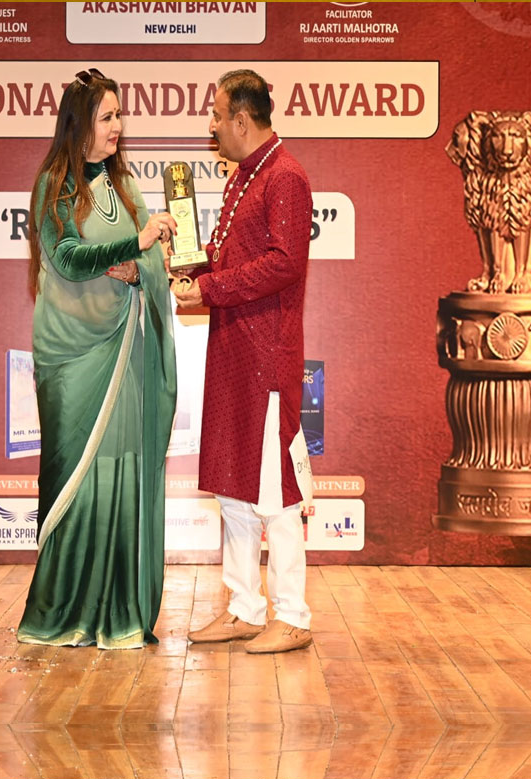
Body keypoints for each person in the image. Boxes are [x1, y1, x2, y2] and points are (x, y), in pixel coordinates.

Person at [17, 68, 177, 649]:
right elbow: (65, 256)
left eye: (119, 116)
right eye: (107, 117)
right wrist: (134, 244)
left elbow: (149, 261)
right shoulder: (54, 185)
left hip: (124, 352)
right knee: (74, 481)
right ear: (79, 124)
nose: (118, 126)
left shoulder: (124, 186)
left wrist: (143, 265)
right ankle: (60, 613)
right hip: (72, 356)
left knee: (121, 472)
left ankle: (118, 613)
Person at [174, 69, 313, 654]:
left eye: (216, 114)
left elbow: (284, 263)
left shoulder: (286, 176)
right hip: (232, 350)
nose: (210, 125)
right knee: (233, 485)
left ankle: (293, 615)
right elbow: (227, 256)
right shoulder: (244, 177)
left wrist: (209, 289)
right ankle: (244, 607)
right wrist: (192, 269)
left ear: (241, 119)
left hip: (266, 355)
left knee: (272, 489)